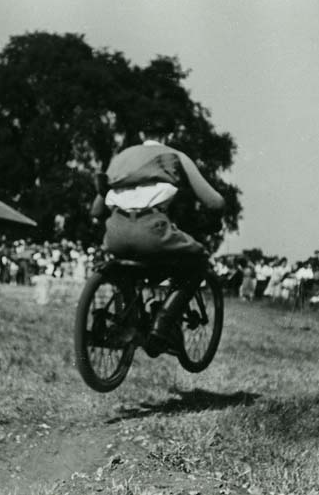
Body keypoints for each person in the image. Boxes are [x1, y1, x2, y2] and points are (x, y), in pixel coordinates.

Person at [90, 132, 225, 355]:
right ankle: (162, 326)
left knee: (127, 267)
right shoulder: (173, 155)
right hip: (152, 230)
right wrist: (214, 219)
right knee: (199, 262)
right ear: (170, 135)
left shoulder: (120, 158)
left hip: (115, 233)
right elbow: (215, 202)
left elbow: (95, 211)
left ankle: (131, 322)